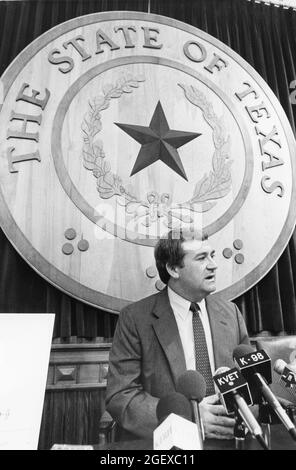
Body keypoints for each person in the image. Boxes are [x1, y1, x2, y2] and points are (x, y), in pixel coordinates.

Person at [106, 228, 250, 440]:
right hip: (171, 442)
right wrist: (187, 418)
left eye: (212, 255)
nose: (213, 264)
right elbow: (121, 396)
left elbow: (250, 380)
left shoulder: (231, 313)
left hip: (230, 437)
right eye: (201, 258)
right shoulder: (135, 319)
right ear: (173, 269)